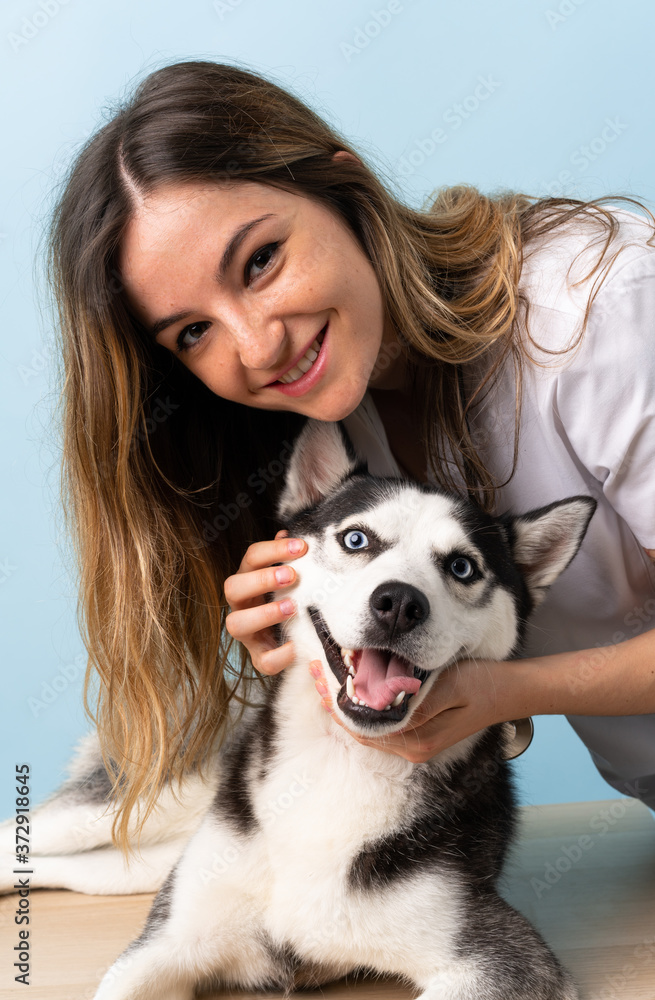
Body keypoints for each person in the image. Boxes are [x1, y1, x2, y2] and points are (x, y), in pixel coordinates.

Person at [47, 58, 655, 849]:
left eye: (259, 261)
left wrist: (503, 691)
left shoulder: (596, 307)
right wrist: (317, 637)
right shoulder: (337, 441)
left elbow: (499, 682)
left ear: (347, 192)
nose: (259, 344)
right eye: (193, 332)